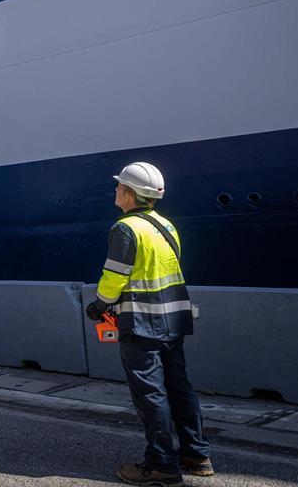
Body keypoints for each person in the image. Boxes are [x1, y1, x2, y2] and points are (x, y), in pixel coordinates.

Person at [86, 162, 213, 485]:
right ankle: (196, 455)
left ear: (129, 194)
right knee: (179, 388)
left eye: (119, 187)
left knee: (150, 393)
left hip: (142, 323)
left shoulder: (126, 229)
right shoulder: (166, 226)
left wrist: (98, 305)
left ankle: (161, 465)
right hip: (174, 319)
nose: (115, 191)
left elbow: (115, 276)